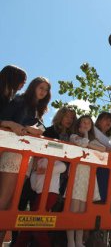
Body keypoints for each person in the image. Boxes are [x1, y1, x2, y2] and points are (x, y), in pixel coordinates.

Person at [0, 77, 50, 243]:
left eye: (46, 89)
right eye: (41, 87)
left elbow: (40, 129)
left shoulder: (39, 109)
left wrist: (35, 130)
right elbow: (4, 119)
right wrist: (15, 125)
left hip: (26, 158)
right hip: (13, 152)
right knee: (4, 199)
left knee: (11, 203)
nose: (43, 91)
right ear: (33, 86)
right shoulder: (20, 100)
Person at [67, 115, 105, 247]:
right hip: (77, 173)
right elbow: (82, 143)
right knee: (73, 208)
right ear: (79, 124)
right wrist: (86, 136)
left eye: (89, 123)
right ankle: (71, 241)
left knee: (82, 210)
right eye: (84, 122)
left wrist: (88, 137)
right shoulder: (73, 136)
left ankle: (79, 241)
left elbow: (103, 149)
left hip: (88, 175)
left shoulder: (91, 140)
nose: (86, 124)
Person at [14, 158, 66, 247]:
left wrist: (46, 170)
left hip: (51, 193)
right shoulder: (37, 163)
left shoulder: (51, 159)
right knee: (34, 221)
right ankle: (21, 243)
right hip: (40, 194)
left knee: (33, 221)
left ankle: (21, 244)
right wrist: (35, 173)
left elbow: (63, 167)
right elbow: (34, 186)